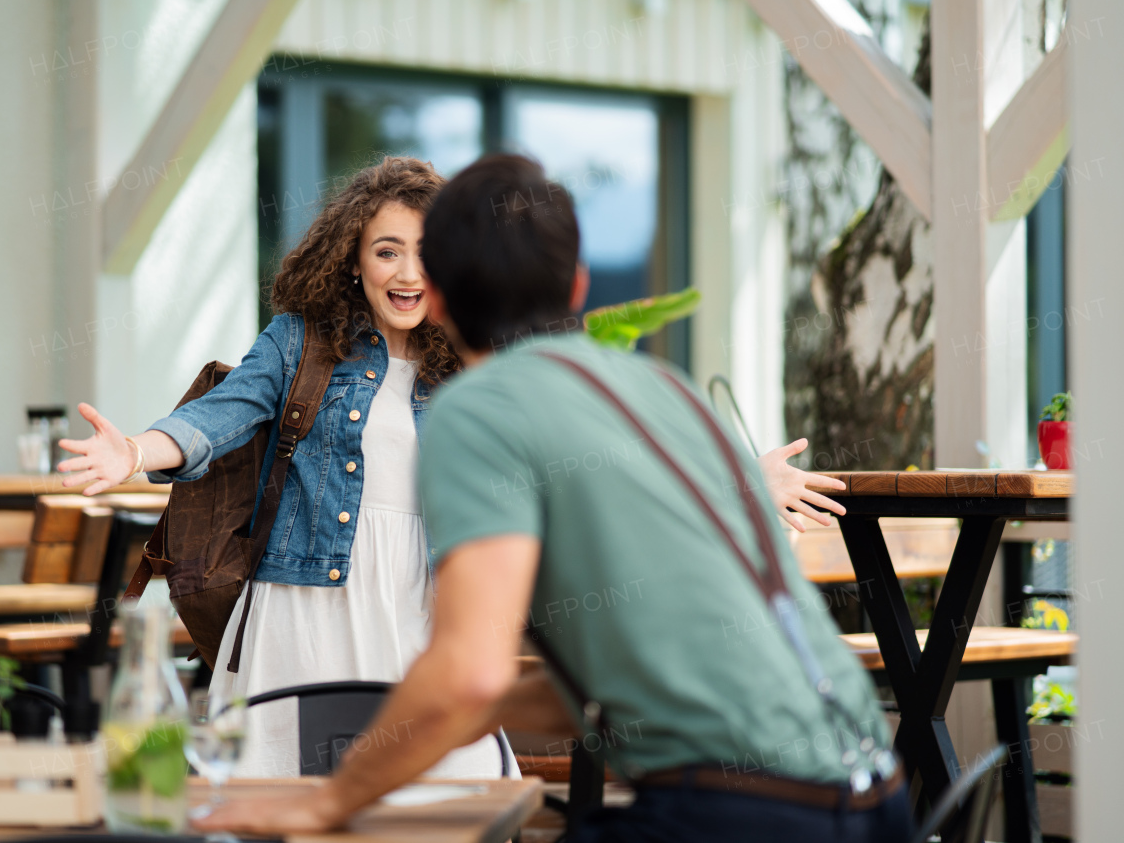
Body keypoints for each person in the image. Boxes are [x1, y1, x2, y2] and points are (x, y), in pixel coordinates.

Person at [196, 155, 911, 842]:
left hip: (736, 810)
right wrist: (461, 716)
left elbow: (469, 672)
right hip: (875, 788)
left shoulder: (478, 411)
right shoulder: (669, 392)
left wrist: (329, 803)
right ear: (578, 286)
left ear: (434, 292)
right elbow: (619, 666)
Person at [57, 156, 511, 779]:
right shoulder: (299, 342)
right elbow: (219, 417)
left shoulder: (469, 360)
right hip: (305, 608)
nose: (408, 274)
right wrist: (134, 451)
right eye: (387, 252)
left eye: (427, 254)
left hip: (422, 603)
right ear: (353, 259)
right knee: (291, 791)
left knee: (449, 785)